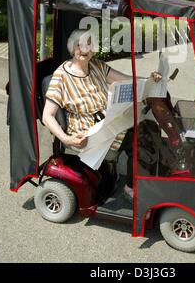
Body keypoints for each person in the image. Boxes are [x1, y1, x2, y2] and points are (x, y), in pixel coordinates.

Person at [42, 29, 162, 202]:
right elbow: (48, 115)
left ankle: (140, 177)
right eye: (80, 44)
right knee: (142, 140)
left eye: (89, 43)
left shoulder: (96, 65)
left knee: (149, 128)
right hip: (89, 132)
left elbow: (128, 79)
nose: (85, 48)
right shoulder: (60, 76)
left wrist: (150, 80)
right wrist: (66, 139)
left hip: (109, 122)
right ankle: (132, 188)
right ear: (72, 48)